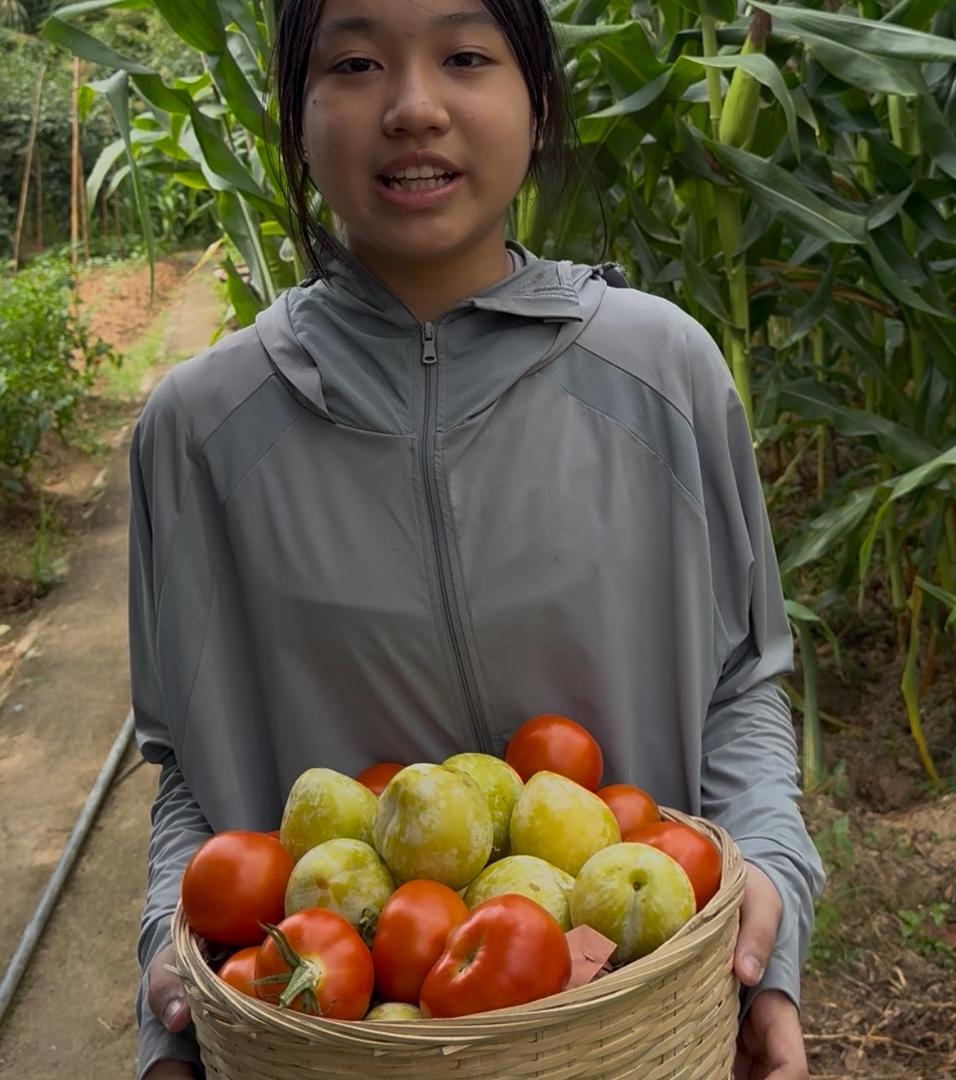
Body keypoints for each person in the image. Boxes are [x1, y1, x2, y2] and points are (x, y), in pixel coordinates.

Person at [131, 1, 825, 1077]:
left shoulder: (663, 377)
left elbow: (740, 683)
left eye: (464, 56)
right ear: (294, 114)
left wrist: (772, 890)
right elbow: (192, 762)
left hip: (629, 1036)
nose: (414, 107)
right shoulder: (200, 434)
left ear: (538, 101)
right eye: (355, 63)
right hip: (332, 1041)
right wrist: (168, 990)